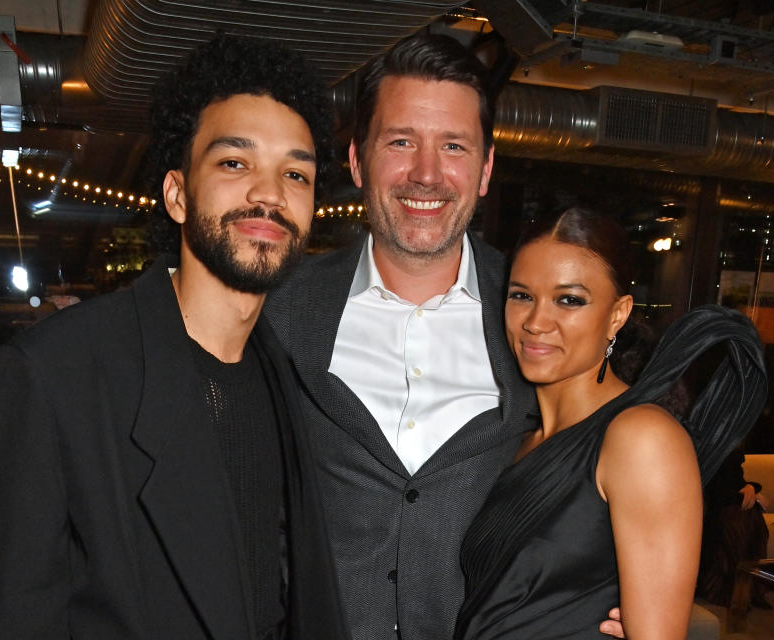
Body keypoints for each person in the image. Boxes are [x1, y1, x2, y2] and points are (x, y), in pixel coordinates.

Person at [0, 35, 348, 640]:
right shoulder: (53, 374)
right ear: (176, 193)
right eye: (234, 163)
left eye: (294, 173)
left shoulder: (293, 376)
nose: (269, 194)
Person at [265, 34, 621, 640]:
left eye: (453, 146)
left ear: (484, 170)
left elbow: (614, 449)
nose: (426, 174)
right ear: (356, 160)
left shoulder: (534, 316)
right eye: (400, 142)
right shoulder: (280, 309)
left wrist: (621, 594)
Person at [453, 207, 768, 639]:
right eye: (522, 295)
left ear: (617, 315)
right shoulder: (516, 438)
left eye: (570, 300)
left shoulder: (640, 437)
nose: (536, 322)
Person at [697, 446, 770, 607]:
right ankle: (736, 590)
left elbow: (736, 481)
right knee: (739, 520)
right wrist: (750, 492)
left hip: (729, 504)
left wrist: (751, 488)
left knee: (752, 518)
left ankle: (750, 590)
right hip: (710, 506)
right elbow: (714, 491)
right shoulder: (708, 446)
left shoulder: (729, 445)